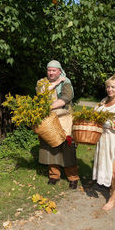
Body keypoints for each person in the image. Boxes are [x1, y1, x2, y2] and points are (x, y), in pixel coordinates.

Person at [35, 60, 79, 189]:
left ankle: (72, 177)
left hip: (64, 118)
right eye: (49, 70)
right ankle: (54, 175)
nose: (51, 73)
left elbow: (67, 97)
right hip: (48, 120)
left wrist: (48, 106)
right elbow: (40, 94)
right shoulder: (41, 82)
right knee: (50, 146)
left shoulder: (65, 82)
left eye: (54, 70)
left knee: (68, 146)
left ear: (59, 71)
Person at [93, 74, 115, 211]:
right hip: (102, 139)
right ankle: (107, 186)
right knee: (105, 166)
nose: (109, 89)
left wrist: (104, 121)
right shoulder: (103, 100)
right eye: (108, 87)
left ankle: (113, 198)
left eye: (113, 87)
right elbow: (94, 113)